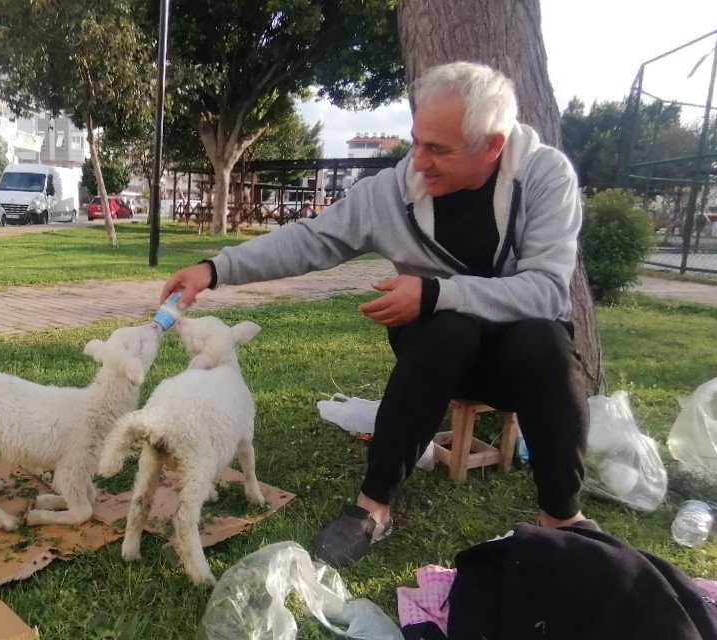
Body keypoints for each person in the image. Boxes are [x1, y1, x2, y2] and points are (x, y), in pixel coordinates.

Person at [160, 62, 591, 568]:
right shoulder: (391, 192)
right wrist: (216, 268)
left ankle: (562, 517)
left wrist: (433, 293)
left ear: (492, 147)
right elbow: (312, 239)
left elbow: (546, 290)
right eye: (417, 142)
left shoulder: (544, 175)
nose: (419, 162)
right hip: (437, 346)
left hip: (519, 356)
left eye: (438, 149)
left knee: (543, 342)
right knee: (446, 333)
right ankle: (373, 505)